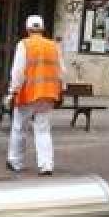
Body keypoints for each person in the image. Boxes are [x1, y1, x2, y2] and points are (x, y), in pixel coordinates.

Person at [6, 15, 65, 176]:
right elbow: (61, 71)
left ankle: (15, 162)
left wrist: (12, 92)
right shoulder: (54, 46)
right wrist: (62, 90)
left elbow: (18, 72)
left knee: (19, 128)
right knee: (43, 130)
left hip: (27, 94)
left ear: (27, 29)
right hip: (47, 95)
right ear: (43, 29)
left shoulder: (24, 44)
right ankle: (46, 165)